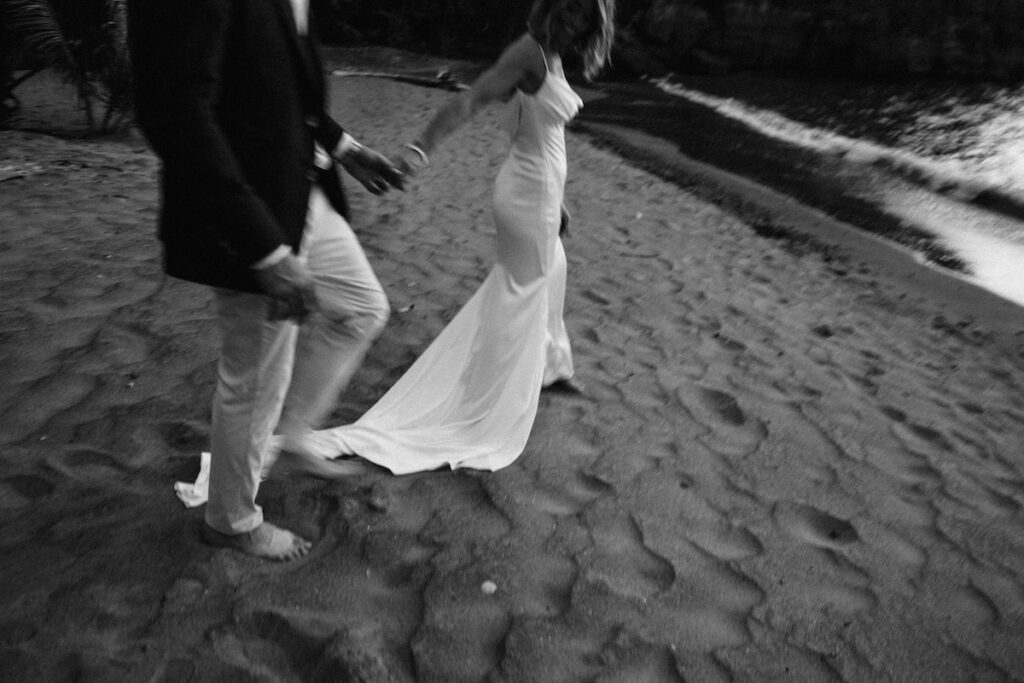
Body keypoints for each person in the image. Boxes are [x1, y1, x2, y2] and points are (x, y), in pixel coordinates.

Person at [281, 0, 615, 476]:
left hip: (541, 187)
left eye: (586, 14)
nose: (576, 19)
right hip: (527, 192)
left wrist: (557, 199)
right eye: (572, 8)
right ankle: (492, 394)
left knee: (549, 270)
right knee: (522, 287)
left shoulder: (555, 53)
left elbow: (537, 129)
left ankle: (550, 366)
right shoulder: (530, 52)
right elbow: (470, 100)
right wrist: (419, 150)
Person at [127, 0, 404, 561]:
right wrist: (263, 247)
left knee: (361, 308)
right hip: (247, 210)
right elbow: (174, 108)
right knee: (256, 377)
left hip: (300, 188)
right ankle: (230, 520)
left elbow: (275, 76)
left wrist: (344, 148)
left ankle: (294, 435)